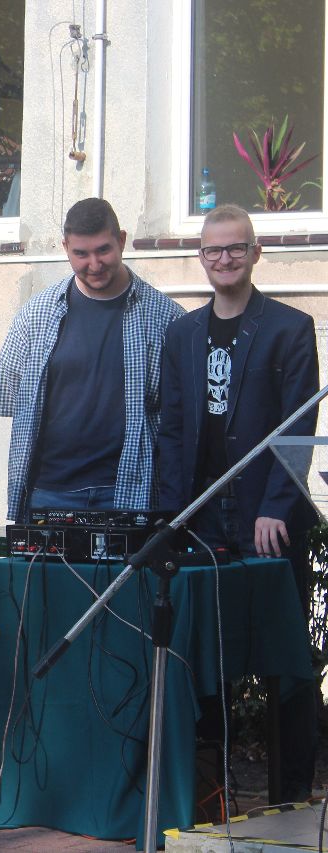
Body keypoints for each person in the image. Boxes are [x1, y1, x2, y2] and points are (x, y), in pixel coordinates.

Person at [157, 204, 320, 802]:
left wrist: (276, 506)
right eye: (213, 249)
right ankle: (210, 788)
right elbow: (172, 429)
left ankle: (292, 789)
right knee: (206, 654)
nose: (223, 258)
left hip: (266, 517)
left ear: (255, 253)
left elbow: (298, 428)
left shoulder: (289, 328)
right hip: (202, 517)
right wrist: (172, 516)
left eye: (235, 248)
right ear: (200, 257)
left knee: (284, 657)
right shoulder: (182, 334)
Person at [0, 197, 184, 521]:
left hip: (129, 492)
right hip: (48, 491)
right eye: (81, 253)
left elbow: (178, 421)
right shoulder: (35, 315)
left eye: (103, 250)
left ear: (121, 240)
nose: (94, 264)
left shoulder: (167, 319)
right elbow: (12, 400)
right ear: (65, 247)